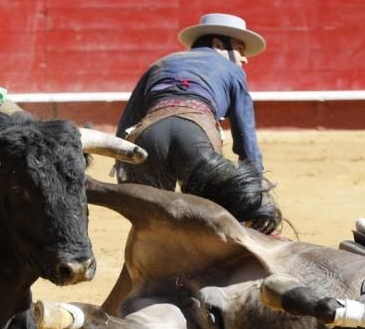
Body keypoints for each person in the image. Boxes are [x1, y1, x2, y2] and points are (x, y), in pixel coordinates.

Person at [114, 12, 267, 194]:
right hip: (195, 136)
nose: (244, 58)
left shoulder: (160, 64)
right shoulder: (234, 71)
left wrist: (121, 164)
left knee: (153, 214)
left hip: (149, 134)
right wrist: (255, 187)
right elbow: (245, 136)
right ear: (218, 45)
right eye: (240, 49)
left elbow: (128, 120)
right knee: (208, 213)